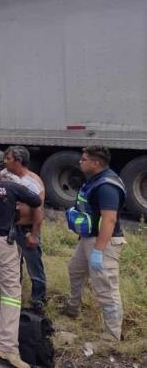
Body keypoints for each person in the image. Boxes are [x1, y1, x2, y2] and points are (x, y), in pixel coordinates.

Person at [0, 155, 42, 368]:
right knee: (11, 294)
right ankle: (8, 348)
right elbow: (36, 201)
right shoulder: (11, 187)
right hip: (5, 243)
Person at [65, 146, 127, 342]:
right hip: (88, 239)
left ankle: (111, 336)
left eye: (84, 159)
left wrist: (99, 251)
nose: (80, 162)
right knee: (75, 270)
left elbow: (109, 220)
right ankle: (73, 309)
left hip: (103, 242)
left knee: (106, 288)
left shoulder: (107, 186)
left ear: (96, 163)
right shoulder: (94, 180)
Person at [1, 145, 47, 312]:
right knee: (13, 265)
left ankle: (38, 301)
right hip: (10, 227)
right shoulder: (5, 176)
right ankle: (14, 296)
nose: (5, 161)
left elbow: (38, 210)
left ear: (18, 161)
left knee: (34, 266)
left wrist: (34, 235)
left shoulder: (32, 182)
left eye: (8, 158)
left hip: (26, 229)